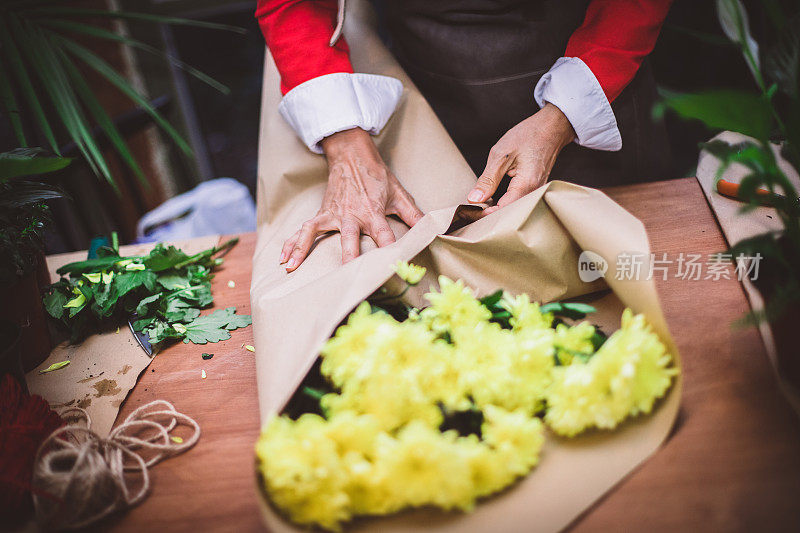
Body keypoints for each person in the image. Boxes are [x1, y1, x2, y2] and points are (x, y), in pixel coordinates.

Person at [256, 0, 673, 271]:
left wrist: (562, 117)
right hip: (423, 97)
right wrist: (346, 145)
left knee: (611, 273)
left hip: (593, 73)